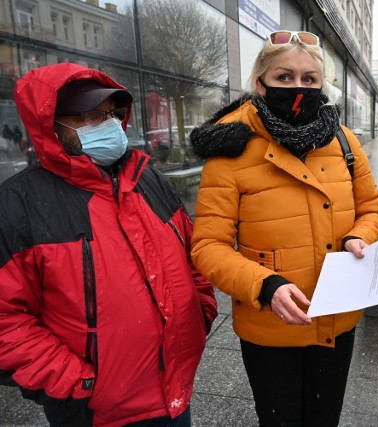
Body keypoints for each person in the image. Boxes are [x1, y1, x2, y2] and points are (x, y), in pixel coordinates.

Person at [0, 62, 218, 426]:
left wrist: (201, 312)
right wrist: (76, 382)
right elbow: (6, 321)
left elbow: (192, 256)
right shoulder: (18, 205)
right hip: (96, 411)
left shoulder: (148, 179)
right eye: (89, 116)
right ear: (51, 123)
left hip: (176, 390)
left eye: (112, 114)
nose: (110, 125)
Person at [189, 30, 378, 426]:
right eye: (284, 77)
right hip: (270, 326)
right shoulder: (231, 150)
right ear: (259, 83)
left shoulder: (344, 141)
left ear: (321, 85)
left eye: (309, 79)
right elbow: (207, 246)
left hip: (337, 317)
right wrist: (265, 284)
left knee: (323, 418)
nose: (298, 87)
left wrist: (358, 237)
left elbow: (373, 211)